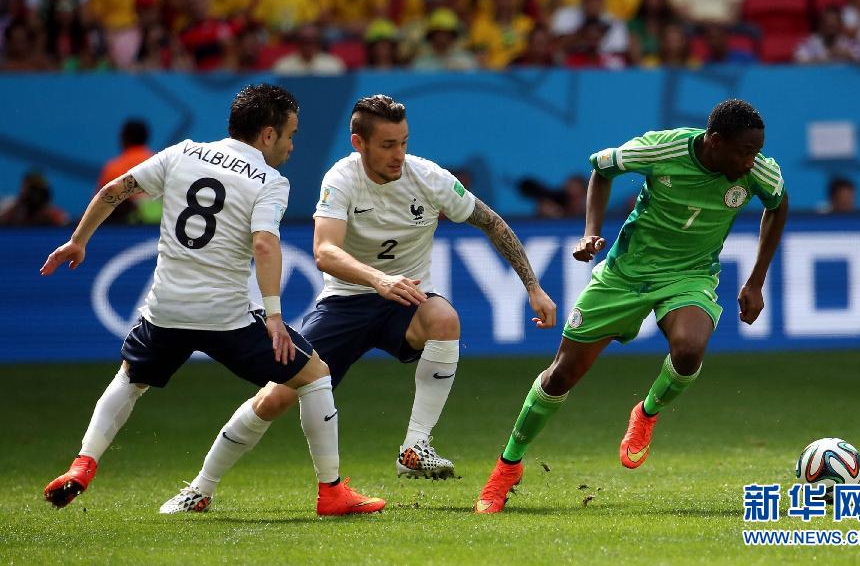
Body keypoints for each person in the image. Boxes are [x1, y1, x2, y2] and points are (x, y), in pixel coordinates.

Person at [168, 94, 557, 508]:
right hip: (345, 303)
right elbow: (324, 252)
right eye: (388, 145)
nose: (399, 155)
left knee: (444, 319)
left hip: (403, 301)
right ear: (359, 143)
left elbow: (492, 223)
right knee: (276, 396)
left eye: (404, 142)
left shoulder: (429, 178)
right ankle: (200, 488)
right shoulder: (341, 179)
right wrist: (378, 279)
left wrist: (532, 286)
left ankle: (415, 446)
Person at [40, 83, 384, 517]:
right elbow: (263, 244)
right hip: (228, 318)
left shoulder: (182, 152)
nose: (293, 145)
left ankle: (83, 465)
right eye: (291, 134)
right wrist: (275, 316)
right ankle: (331, 491)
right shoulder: (269, 181)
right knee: (315, 375)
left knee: (130, 379)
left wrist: (77, 241)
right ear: (267, 135)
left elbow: (116, 189)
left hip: (166, 310)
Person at [475, 98, 789, 514]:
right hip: (624, 274)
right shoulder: (663, 149)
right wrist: (590, 232)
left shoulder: (759, 171)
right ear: (715, 141)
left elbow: (778, 205)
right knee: (561, 376)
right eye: (745, 151)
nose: (752, 162)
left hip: (689, 276)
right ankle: (508, 466)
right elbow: (601, 168)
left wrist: (756, 280)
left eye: (756, 151)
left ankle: (646, 413)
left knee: (690, 349)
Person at [97, 119, 157, 224]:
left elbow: (99, 208)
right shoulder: (161, 165)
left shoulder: (114, 168)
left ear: (125, 138)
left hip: (126, 231)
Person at [0, 169, 69, 226]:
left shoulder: (51, 214)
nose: (36, 195)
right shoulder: (12, 208)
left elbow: (66, 224)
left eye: (39, 190)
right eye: (33, 189)